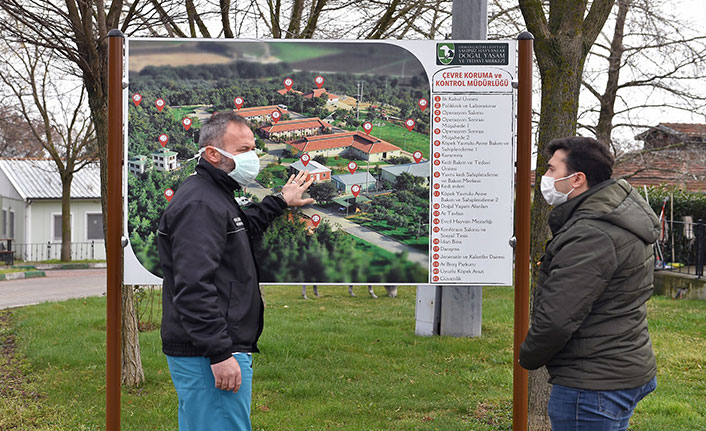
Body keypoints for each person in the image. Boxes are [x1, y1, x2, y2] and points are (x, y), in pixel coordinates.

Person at [157, 111, 314, 431]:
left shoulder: (212, 195)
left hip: (209, 348)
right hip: (209, 352)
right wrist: (219, 354)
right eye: (243, 150)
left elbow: (238, 228)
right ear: (213, 154)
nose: (252, 157)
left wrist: (281, 201)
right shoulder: (201, 204)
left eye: (253, 148)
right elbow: (195, 286)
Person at [519, 137, 659, 431]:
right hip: (619, 366)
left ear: (577, 179)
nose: (545, 177)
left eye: (552, 169)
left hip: (592, 383)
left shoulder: (591, 234)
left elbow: (558, 317)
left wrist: (528, 355)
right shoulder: (614, 218)